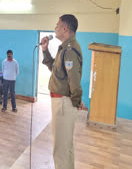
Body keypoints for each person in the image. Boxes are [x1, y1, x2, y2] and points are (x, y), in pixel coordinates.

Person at [41, 14, 83, 169]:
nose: (55, 28)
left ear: (65, 29)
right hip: (61, 102)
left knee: (60, 150)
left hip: (63, 103)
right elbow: (56, 71)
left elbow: (74, 81)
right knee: (65, 148)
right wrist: (45, 51)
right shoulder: (65, 48)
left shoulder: (70, 50)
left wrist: (76, 101)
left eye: (57, 25)